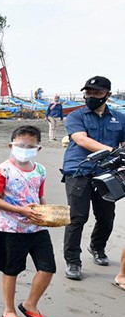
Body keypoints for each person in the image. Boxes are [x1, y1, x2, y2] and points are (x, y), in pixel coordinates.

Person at [0, 125, 55, 317]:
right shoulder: (2, 170)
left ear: (38, 149)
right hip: (10, 228)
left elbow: (39, 195)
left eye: (30, 146)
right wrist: (20, 210)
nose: (25, 149)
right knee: (11, 270)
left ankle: (30, 304)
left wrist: (45, 212)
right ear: (11, 145)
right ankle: (9, 310)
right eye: (20, 145)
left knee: (48, 267)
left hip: (37, 228)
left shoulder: (40, 170)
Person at [61, 76, 125, 280]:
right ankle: (73, 261)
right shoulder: (75, 116)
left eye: (97, 93)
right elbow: (81, 139)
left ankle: (97, 247)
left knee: (106, 217)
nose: (92, 96)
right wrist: (113, 151)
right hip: (78, 170)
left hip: (108, 174)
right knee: (77, 217)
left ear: (108, 94)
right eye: (88, 93)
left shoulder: (119, 118)